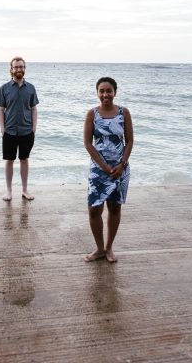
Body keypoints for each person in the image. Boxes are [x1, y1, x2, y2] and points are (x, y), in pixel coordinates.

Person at [83, 77, 133, 263]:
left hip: (120, 169)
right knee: (94, 210)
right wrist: (104, 167)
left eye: (109, 90)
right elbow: (88, 144)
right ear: (97, 93)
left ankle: (109, 248)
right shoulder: (92, 114)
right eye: (102, 91)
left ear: (115, 92)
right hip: (98, 170)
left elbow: (129, 142)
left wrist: (121, 164)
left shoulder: (123, 112)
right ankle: (99, 249)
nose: (105, 94)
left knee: (114, 207)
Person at [0, 56, 39, 202]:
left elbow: (33, 109)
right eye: (16, 67)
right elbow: (1, 109)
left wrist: (34, 128)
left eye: (21, 67)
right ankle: (8, 191)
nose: (19, 69)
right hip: (9, 131)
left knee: (24, 159)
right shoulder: (4, 88)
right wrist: (2, 129)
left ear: (24, 69)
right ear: (11, 69)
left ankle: (25, 190)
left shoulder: (31, 88)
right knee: (9, 160)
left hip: (27, 131)